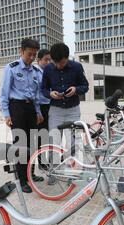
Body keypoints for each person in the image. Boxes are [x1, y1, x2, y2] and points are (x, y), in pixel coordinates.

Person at [0, 38, 44, 193]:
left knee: (32, 143)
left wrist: (38, 111)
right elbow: (4, 93)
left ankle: (30, 174)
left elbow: (37, 95)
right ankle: (22, 180)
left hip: (31, 108)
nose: (32, 58)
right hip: (16, 108)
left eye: (34, 55)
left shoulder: (37, 71)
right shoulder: (11, 68)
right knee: (20, 144)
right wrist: (6, 114)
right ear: (21, 51)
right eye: (29, 54)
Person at [41, 43, 89, 182]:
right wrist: (50, 94)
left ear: (67, 58)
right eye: (55, 62)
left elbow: (85, 86)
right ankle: (54, 172)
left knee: (74, 142)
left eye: (61, 62)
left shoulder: (77, 67)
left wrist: (76, 89)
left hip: (73, 110)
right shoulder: (48, 69)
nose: (58, 66)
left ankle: (74, 171)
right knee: (54, 142)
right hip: (55, 111)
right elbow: (43, 89)